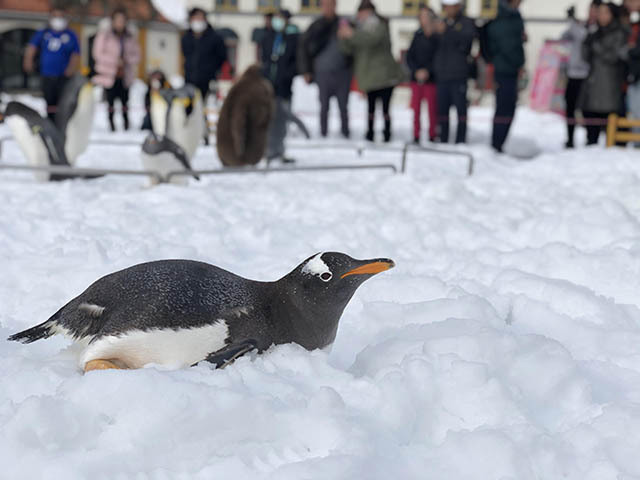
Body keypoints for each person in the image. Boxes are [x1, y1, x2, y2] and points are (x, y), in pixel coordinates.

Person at [338, 0, 404, 143]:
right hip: (369, 77)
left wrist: (351, 34)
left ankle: (387, 134)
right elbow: (349, 49)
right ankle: (370, 133)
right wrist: (343, 37)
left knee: (385, 109)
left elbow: (371, 40)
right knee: (371, 108)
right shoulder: (359, 28)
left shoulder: (379, 26)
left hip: (385, 76)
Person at [299, 0, 353, 138]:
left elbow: (355, 47)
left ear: (335, 5)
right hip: (322, 72)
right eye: (325, 4)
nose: (328, 7)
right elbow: (304, 48)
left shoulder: (344, 24)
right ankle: (323, 133)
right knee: (324, 106)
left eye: (330, 4)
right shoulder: (316, 26)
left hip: (342, 72)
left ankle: (345, 133)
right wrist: (306, 70)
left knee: (343, 106)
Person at [582, 2, 629, 145]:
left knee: (613, 124)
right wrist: (587, 42)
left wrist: (596, 46)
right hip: (593, 84)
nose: (600, 15)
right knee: (592, 125)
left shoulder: (620, 33)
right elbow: (584, 57)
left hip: (611, 86)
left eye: (605, 12)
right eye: (599, 12)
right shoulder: (594, 32)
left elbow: (614, 56)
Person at [23, 7, 80, 123]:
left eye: (61, 16)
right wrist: (28, 61)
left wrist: (71, 69)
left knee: (63, 101)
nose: (58, 20)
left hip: (64, 76)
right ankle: (50, 123)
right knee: (49, 101)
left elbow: (76, 54)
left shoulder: (71, 35)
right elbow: (31, 48)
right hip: (47, 74)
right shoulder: (43, 33)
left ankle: (62, 123)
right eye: (55, 16)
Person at [433, 0, 476, 144]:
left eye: (451, 6)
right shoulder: (440, 22)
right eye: (446, 6)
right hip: (442, 75)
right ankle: (443, 139)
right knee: (442, 112)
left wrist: (448, 31)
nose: (448, 9)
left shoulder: (466, 22)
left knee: (461, 112)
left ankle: (460, 141)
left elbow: (466, 43)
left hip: (459, 75)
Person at [92, 7, 141, 132]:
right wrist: (114, 61)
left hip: (125, 76)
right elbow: (97, 54)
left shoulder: (130, 37)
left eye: (122, 20)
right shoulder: (105, 35)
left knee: (125, 102)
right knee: (110, 102)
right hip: (109, 75)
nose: (120, 23)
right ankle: (111, 126)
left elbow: (137, 55)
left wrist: (126, 60)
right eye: (118, 20)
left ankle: (126, 125)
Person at [260, 9, 300, 162]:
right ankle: (267, 149)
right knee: (268, 119)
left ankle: (279, 150)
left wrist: (285, 75)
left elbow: (296, 62)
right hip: (269, 87)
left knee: (282, 120)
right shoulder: (267, 37)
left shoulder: (293, 38)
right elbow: (264, 60)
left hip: (284, 86)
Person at [486, 0, 525, 153]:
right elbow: (507, 45)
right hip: (505, 70)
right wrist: (519, 63)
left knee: (507, 108)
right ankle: (497, 144)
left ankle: (498, 143)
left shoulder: (513, 17)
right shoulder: (505, 19)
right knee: (504, 109)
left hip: (509, 69)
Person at [562, 1, 600, 148]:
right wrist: (573, 23)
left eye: (596, 10)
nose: (592, 13)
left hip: (588, 75)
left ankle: (591, 141)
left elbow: (583, 37)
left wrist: (573, 22)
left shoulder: (597, 30)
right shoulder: (581, 25)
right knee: (570, 108)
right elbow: (564, 36)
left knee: (588, 110)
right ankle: (570, 139)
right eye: (591, 9)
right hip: (573, 73)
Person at [406, 5, 439, 144]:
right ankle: (416, 135)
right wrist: (416, 71)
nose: (423, 19)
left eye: (425, 16)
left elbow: (438, 57)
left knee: (432, 109)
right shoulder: (417, 35)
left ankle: (432, 135)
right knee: (416, 109)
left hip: (431, 79)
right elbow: (409, 56)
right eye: (421, 16)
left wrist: (427, 71)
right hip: (416, 78)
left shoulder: (437, 36)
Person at [181, 8, 227, 101]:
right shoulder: (186, 38)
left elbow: (222, 57)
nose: (198, 21)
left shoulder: (215, 38)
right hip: (189, 80)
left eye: (200, 18)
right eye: (195, 18)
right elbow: (186, 56)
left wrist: (212, 70)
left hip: (208, 81)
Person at [626, 0, 640, 142]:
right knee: (635, 110)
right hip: (635, 73)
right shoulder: (635, 22)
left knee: (637, 110)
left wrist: (631, 50)